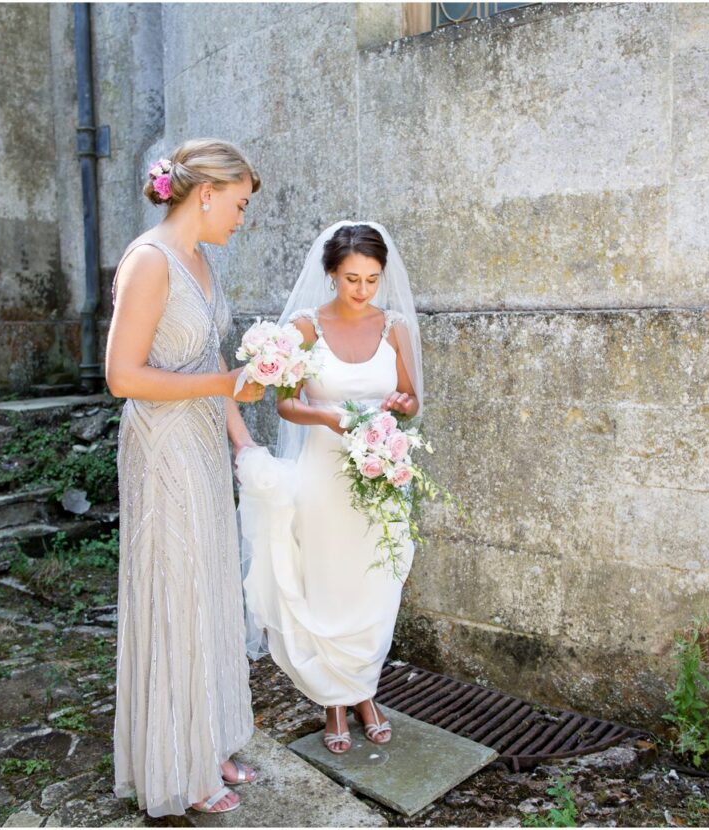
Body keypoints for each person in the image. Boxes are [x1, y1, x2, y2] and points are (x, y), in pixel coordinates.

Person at [105, 139, 265, 816]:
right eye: (240, 203)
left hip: (202, 443)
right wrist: (224, 381)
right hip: (162, 449)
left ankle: (208, 739)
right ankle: (179, 763)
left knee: (209, 588)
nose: (241, 217)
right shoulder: (150, 261)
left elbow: (210, 357)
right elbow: (122, 377)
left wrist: (244, 445)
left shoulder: (202, 261)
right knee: (176, 591)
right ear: (207, 193)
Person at [237, 221, 423, 755]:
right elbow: (285, 403)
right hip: (324, 476)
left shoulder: (394, 327)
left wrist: (399, 408)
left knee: (376, 586)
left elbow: (410, 396)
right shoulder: (306, 328)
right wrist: (328, 416)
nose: (362, 291)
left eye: (372, 279)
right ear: (330, 274)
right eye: (351, 279)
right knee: (330, 585)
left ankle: (365, 693)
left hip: (382, 475)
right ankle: (334, 704)